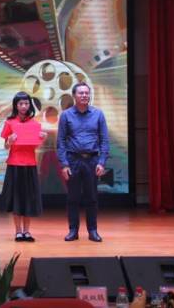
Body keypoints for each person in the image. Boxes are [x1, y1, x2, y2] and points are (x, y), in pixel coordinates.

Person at [57, 82, 109, 242]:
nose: (84, 95)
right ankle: (73, 230)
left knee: (91, 198)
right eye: (81, 93)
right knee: (73, 198)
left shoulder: (98, 114)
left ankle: (93, 231)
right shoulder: (66, 115)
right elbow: (61, 142)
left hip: (92, 160)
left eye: (87, 93)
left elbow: (104, 140)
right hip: (73, 160)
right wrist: (64, 164)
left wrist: (102, 162)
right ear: (74, 95)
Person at [0, 91, 46, 242]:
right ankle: (18, 231)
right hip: (14, 164)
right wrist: (10, 141)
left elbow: (35, 145)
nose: (24, 106)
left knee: (28, 199)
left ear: (29, 105)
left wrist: (42, 139)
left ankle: (27, 231)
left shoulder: (34, 124)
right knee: (17, 199)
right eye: (21, 103)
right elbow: (6, 146)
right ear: (16, 105)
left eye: (26, 103)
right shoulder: (10, 122)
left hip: (30, 164)